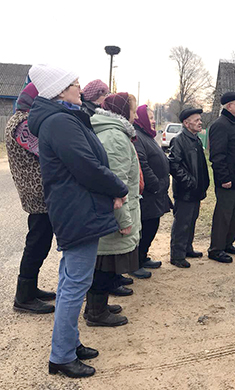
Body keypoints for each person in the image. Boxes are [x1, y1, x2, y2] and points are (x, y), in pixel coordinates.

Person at [28, 64, 128, 378]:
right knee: (75, 284)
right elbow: (85, 165)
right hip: (78, 209)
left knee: (72, 279)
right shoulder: (60, 121)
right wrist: (117, 187)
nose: (79, 88)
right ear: (59, 90)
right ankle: (61, 356)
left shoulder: (62, 117)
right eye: (74, 83)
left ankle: (69, 343)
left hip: (78, 207)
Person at [85, 93, 142, 326]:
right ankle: (96, 313)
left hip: (111, 213)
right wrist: (124, 220)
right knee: (105, 265)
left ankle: (98, 306)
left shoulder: (114, 132)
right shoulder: (115, 137)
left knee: (105, 263)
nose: (136, 114)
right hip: (113, 215)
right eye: (132, 109)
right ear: (121, 111)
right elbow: (116, 182)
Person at [5, 83, 56, 314]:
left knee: (40, 241)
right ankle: (23, 296)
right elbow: (43, 149)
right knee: (37, 242)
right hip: (37, 192)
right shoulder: (22, 123)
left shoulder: (21, 120)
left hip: (36, 190)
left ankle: (30, 288)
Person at [208, 92, 235, 263]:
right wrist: (224, 178)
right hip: (228, 182)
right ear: (228, 106)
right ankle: (216, 249)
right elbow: (217, 155)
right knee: (223, 216)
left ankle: (227, 244)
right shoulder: (221, 125)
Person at [132, 104, 171, 278]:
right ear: (141, 119)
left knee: (151, 226)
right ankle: (135, 263)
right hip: (148, 194)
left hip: (155, 194)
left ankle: (143, 256)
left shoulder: (147, 135)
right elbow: (142, 163)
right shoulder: (138, 137)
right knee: (145, 228)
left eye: (154, 117)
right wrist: (155, 184)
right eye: (150, 117)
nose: (154, 121)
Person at [169, 107, 210, 268]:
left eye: (200, 119)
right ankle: (177, 255)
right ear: (187, 123)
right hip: (186, 191)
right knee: (182, 223)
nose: (200, 123)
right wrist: (189, 182)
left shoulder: (195, 139)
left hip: (196, 191)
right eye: (197, 120)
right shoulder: (179, 140)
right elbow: (174, 165)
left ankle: (187, 248)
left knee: (192, 220)